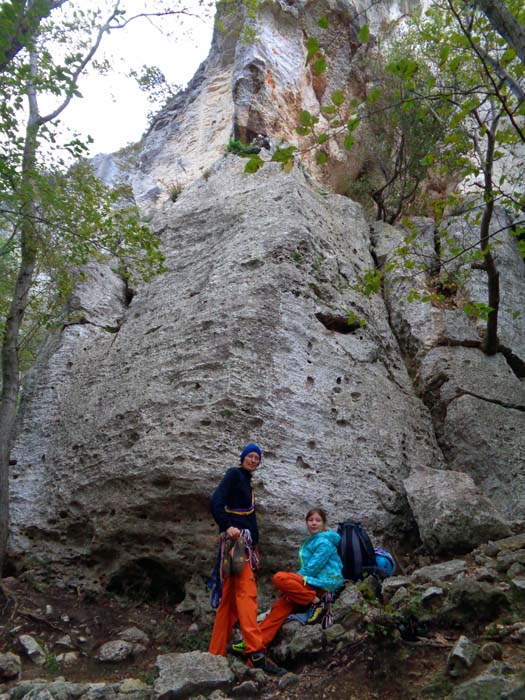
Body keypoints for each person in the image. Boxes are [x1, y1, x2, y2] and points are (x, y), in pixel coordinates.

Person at [208, 443, 285, 675]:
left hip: (244, 546)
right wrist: (228, 525)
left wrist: (255, 544)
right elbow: (215, 502)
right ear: (242, 458)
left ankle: (216, 652)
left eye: (257, 458)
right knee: (247, 593)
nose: (253, 460)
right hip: (235, 545)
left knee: (229, 601)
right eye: (250, 456)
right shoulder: (234, 474)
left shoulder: (247, 483)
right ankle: (256, 652)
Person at [231, 507, 344, 655]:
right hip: (314, 583)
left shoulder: (324, 542)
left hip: (325, 582)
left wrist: (294, 580)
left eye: (318, 520)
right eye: (310, 520)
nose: (314, 523)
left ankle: (316, 601)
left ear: (324, 523)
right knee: (280, 607)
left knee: (280, 578)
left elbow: (312, 568)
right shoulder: (313, 541)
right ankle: (254, 643)